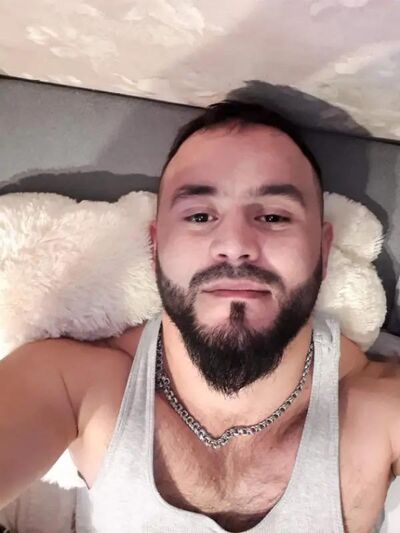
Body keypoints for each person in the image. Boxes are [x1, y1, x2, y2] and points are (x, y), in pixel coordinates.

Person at [0, 100, 399, 533]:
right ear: (156, 246)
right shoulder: (69, 385)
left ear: (322, 250)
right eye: (200, 216)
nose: (235, 245)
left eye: (273, 216)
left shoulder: (382, 408)